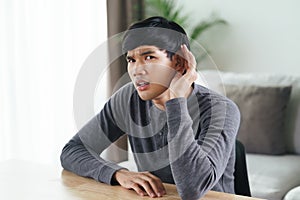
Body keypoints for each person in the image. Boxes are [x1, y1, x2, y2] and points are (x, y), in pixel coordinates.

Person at [60, 16, 240, 200]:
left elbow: (192, 190)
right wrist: (119, 174)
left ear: (179, 63)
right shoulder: (128, 98)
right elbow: (73, 151)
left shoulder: (220, 110)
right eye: (131, 60)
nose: (137, 70)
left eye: (149, 57)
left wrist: (175, 101)